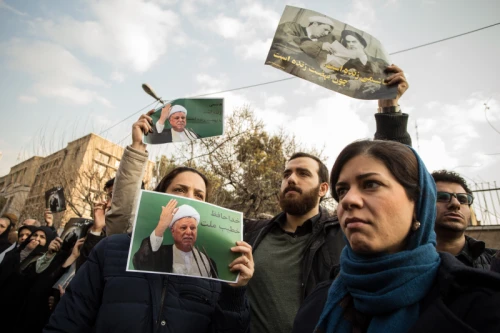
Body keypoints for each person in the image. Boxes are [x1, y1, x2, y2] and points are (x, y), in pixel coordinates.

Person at [45, 111, 254, 333]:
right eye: (180, 190)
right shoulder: (114, 249)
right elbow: (69, 320)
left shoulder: (211, 268)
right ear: (161, 196)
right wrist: (138, 147)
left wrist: (235, 293)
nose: (189, 199)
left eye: (199, 195)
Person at [244, 64, 411, 333]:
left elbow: (396, 177)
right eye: (286, 173)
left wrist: (389, 110)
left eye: (302, 173)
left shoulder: (344, 233)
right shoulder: (252, 233)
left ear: (324, 188)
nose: (291, 179)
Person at [292, 140, 500, 333]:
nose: (348, 200)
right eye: (342, 190)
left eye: (371, 184)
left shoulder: (480, 306)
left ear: (418, 204)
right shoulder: (318, 302)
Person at [432, 170, 497, 270]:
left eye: (462, 200)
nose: (456, 204)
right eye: (442, 197)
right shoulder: (403, 262)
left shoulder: (495, 263)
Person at [133, 202, 218, 277]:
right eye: (183, 228)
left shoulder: (208, 261)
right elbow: (140, 263)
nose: (189, 232)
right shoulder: (161, 254)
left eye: (193, 228)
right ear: (172, 231)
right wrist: (161, 225)